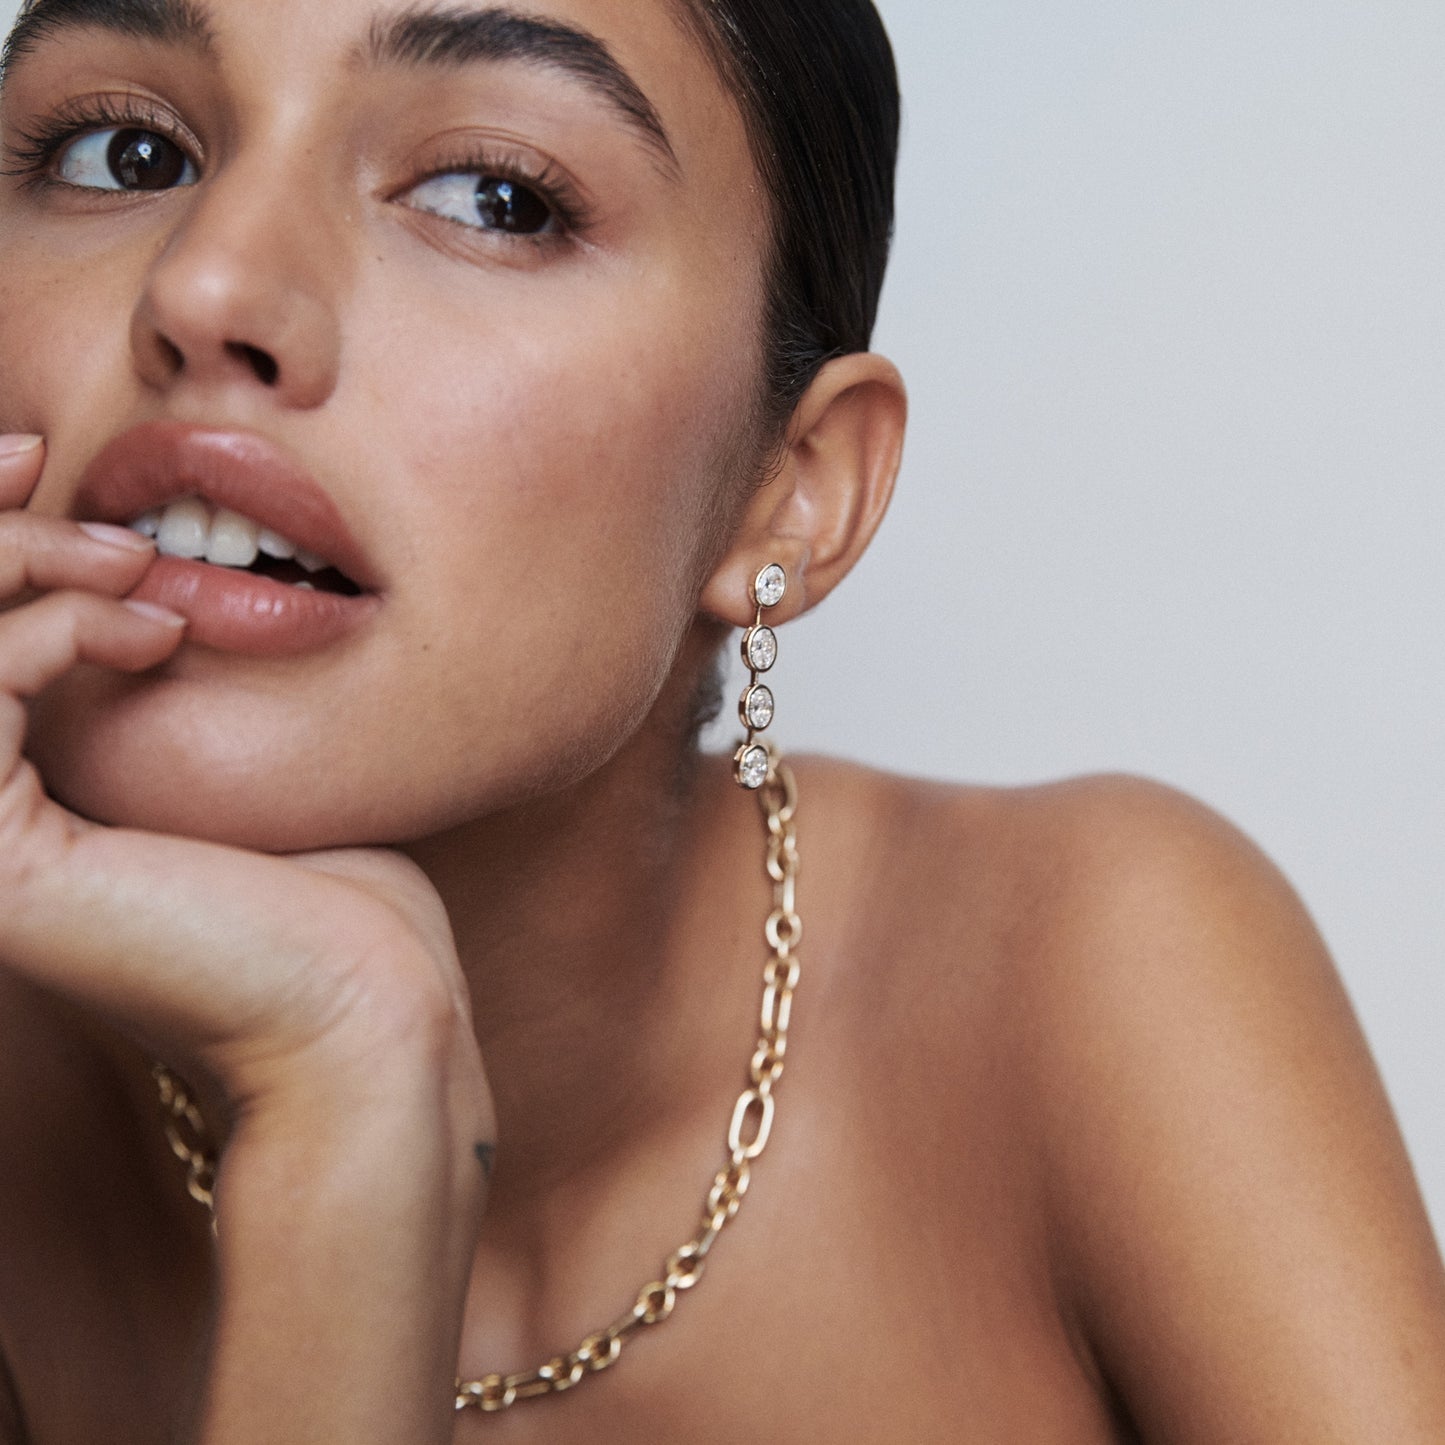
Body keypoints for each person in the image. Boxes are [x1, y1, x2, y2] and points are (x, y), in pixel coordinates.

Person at [0, 0, 1442, 1440]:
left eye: (493, 196)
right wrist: (342, 1120)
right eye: (123, 154)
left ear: (791, 491)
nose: (207, 286)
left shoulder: (1084, 962)